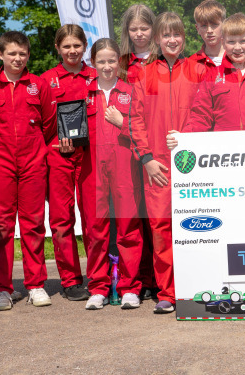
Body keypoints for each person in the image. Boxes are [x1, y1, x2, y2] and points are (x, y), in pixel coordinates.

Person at [0, 31, 56, 311]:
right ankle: (1, 289)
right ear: (0, 55)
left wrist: (39, 153)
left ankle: (35, 285)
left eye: (22, 53)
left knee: (34, 225)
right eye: (12, 53)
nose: (18, 58)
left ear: (28, 55)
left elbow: (49, 124)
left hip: (33, 163)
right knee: (1, 227)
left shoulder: (39, 86)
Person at [128, 12, 201, 314]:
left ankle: (197, 285)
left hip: (193, 166)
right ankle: (168, 293)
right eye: (166, 35)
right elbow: (135, 119)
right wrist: (146, 158)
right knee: (162, 229)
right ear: (157, 39)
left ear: (184, 37)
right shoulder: (144, 74)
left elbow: (207, 111)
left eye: (178, 34)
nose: (172, 40)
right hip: (157, 167)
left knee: (197, 227)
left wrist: (192, 143)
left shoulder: (198, 70)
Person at [71, 38, 144, 310]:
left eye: (112, 60)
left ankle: (129, 288)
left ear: (119, 62)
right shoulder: (82, 94)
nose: (107, 66)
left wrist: (122, 122)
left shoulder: (131, 92)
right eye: (101, 61)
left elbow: (142, 130)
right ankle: (98, 288)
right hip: (92, 169)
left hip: (125, 167)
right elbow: (73, 133)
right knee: (95, 230)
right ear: (92, 62)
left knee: (128, 228)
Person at [40, 25, 95, 303]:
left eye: (77, 45)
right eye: (66, 46)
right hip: (59, 157)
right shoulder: (46, 81)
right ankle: (71, 280)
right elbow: (41, 125)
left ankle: (99, 277)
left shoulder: (98, 76)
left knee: (94, 220)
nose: (72, 51)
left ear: (85, 46)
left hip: (92, 156)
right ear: (57, 48)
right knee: (62, 221)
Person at [117, 3, 158, 299]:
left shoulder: (164, 61)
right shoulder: (120, 64)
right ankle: (141, 278)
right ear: (127, 32)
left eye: (145, 28)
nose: (140, 33)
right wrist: (123, 124)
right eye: (134, 29)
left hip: (157, 145)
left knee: (160, 217)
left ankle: (161, 276)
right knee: (137, 216)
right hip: (126, 144)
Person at [185, 0, 227, 85]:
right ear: (198, 29)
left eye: (214, 24)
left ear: (225, 25)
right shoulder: (191, 64)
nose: (209, 30)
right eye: (204, 26)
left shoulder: (239, 58)